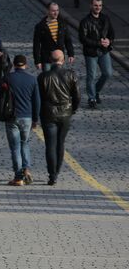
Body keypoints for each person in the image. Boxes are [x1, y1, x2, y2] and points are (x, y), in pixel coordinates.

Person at [38, 50, 80, 186]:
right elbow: (77, 96)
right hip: (65, 112)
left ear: (50, 59)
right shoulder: (70, 75)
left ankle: (52, 175)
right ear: (63, 59)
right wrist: (73, 109)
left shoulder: (43, 76)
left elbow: (39, 97)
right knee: (60, 143)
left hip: (48, 113)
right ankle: (57, 171)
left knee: (50, 144)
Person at [4, 55, 40, 186]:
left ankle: (18, 177)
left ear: (14, 65)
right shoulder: (32, 79)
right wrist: (35, 119)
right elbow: (37, 101)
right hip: (27, 117)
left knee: (15, 147)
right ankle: (27, 169)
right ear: (26, 65)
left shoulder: (8, 78)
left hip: (11, 117)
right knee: (25, 143)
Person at [79, 0, 115, 108]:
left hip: (104, 51)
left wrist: (109, 41)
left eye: (100, 5)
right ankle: (92, 98)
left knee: (108, 73)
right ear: (91, 6)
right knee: (91, 76)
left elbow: (111, 33)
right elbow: (83, 39)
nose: (98, 7)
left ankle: (96, 91)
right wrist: (99, 43)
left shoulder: (106, 18)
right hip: (91, 52)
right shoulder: (85, 21)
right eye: (95, 5)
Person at [33, 2, 75, 72]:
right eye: (53, 11)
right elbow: (36, 45)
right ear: (48, 11)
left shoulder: (62, 24)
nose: (56, 13)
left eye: (57, 10)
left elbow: (68, 40)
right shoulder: (40, 26)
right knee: (47, 80)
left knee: (59, 78)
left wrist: (71, 54)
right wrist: (37, 61)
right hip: (47, 59)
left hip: (59, 58)